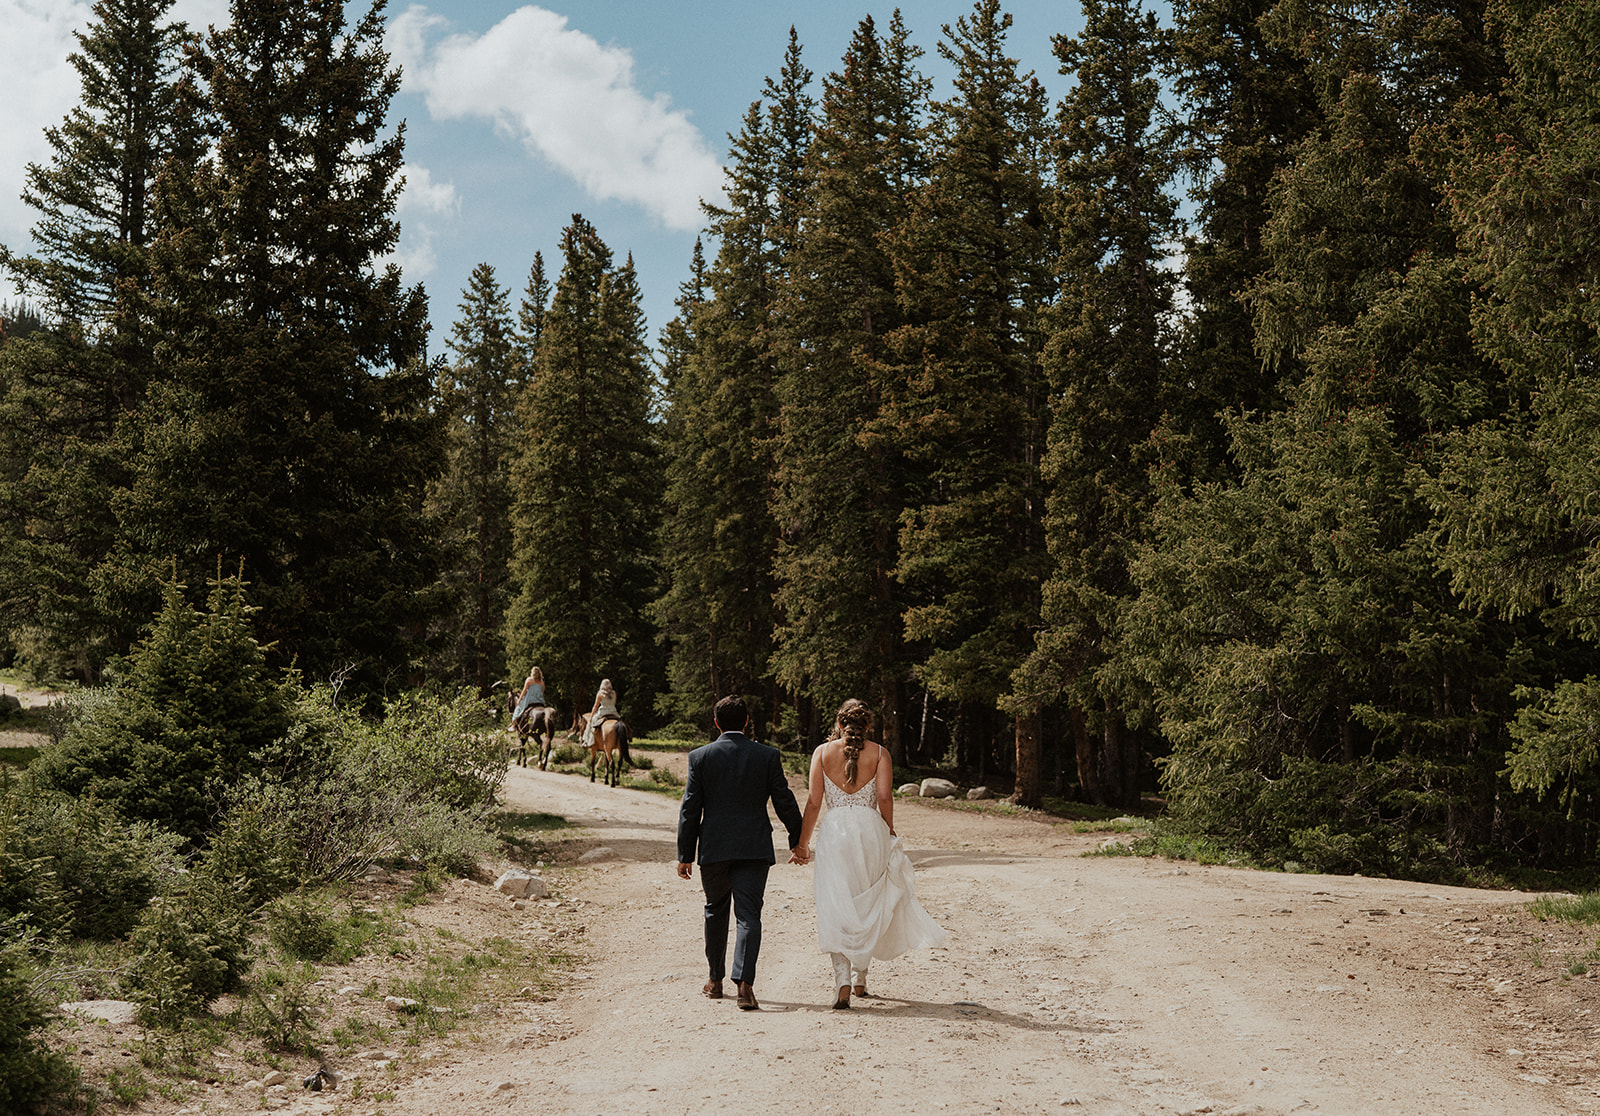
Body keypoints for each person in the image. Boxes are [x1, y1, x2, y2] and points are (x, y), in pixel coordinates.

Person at [790, 697, 945, 1009]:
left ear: (838, 724)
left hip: (834, 833)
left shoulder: (821, 753)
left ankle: (842, 978)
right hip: (869, 830)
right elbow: (885, 796)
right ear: (869, 726)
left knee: (836, 904)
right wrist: (889, 831)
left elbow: (814, 802)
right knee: (868, 900)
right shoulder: (880, 753)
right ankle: (861, 976)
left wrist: (802, 844)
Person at [677, 695, 804, 1011]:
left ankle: (715, 980)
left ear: (716, 722)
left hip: (715, 847)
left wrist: (685, 854)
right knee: (749, 915)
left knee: (715, 910)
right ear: (747, 721)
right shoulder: (767, 756)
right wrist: (797, 839)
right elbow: (784, 801)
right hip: (753, 846)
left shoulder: (700, 757)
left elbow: (690, 809)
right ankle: (744, 985)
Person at [581, 678, 624, 748]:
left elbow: (595, 706)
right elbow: (614, 703)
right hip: (613, 712)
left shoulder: (600, 693)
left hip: (603, 712)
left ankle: (588, 742)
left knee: (590, 723)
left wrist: (591, 717)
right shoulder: (614, 693)